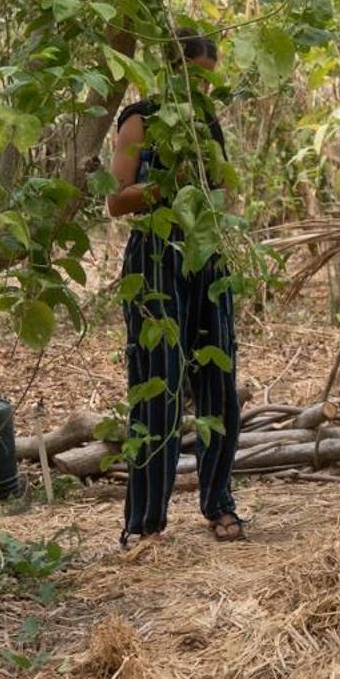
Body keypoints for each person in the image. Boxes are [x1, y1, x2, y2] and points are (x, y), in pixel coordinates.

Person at [107, 32, 243, 546]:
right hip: (155, 260)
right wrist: (169, 185)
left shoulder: (207, 121)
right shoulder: (140, 118)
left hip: (207, 257)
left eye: (210, 78)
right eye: (195, 77)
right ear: (174, 71)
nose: (202, 89)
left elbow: (223, 193)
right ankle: (145, 524)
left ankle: (219, 504)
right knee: (158, 388)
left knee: (218, 385)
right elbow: (117, 201)